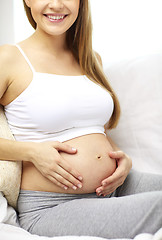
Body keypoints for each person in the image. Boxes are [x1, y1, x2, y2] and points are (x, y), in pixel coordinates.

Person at [0, 0, 161, 238]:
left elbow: (94, 129)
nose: (56, 4)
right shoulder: (9, 58)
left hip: (116, 185)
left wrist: (122, 160)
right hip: (52, 206)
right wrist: (32, 152)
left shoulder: (91, 58)